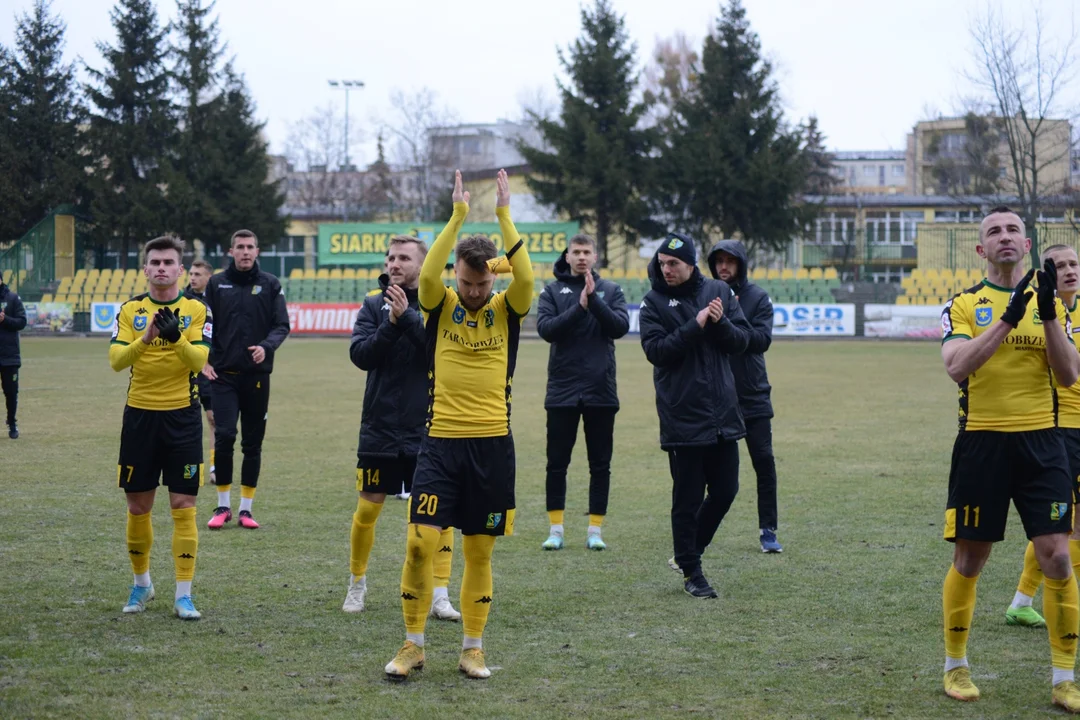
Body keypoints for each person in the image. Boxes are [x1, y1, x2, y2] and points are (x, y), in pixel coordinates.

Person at [383, 169, 533, 681]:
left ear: (492, 279)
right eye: (466, 282)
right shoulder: (440, 303)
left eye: (481, 283)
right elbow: (428, 275)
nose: (472, 291)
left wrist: (505, 216)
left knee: (478, 549)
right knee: (420, 542)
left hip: (492, 448)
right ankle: (412, 644)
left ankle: (473, 648)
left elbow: (526, 277)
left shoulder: (506, 309)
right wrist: (458, 215)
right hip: (440, 445)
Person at [938, 206, 1080, 711]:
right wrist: (1006, 320)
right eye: (993, 231)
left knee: (1059, 554)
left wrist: (1044, 316)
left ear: (1026, 245)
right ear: (981, 249)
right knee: (971, 558)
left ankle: (1064, 678)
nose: (1004, 237)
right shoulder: (963, 304)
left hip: (1043, 443)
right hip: (982, 442)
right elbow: (956, 367)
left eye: (1012, 231)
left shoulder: (1057, 306)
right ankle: (956, 667)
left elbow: (1068, 376)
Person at [344, 235, 461, 622]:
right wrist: (390, 324)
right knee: (367, 510)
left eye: (405, 258)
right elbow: (360, 356)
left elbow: (436, 353)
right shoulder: (372, 305)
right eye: (391, 257)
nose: (395, 264)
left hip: (427, 428)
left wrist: (406, 317)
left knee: (436, 516)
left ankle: (441, 593)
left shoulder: (438, 304)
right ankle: (357, 584)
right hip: (378, 427)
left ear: (424, 265)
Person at [639, 232, 749, 599]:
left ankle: (689, 551)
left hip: (722, 415)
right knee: (686, 498)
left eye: (674, 264)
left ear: (690, 265)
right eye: (663, 263)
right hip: (682, 415)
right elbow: (657, 351)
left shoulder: (717, 290)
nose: (666, 269)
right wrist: (695, 324)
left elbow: (742, 341)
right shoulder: (653, 302)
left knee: (726, 490)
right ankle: (692, 572)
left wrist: (720, 324)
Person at [108, 236, 211, 620]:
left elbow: (199, 360)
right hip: (139, 418)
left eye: (170, 262)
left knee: (183, 506)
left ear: (181, 269)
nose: (163, 268)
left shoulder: (196, 309)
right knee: (138, 507)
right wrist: (147, 338)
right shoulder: (131, 310)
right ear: (146, 268)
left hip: (182, 418)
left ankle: (183, 594)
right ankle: (142, 584)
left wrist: (175, 337)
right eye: (156, 262)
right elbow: (117, 360)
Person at [536, 234, 629, 551]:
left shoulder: (612, 290)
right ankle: (556, 530)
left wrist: (596, 300)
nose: (581, 257)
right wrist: (580, 307)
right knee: (556, 464)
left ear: (595, 256)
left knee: (600, 464)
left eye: (587, 251)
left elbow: (619, 327)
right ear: (567, 255)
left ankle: (595, 531)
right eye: (576, 251)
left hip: (601, 391)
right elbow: (546, 330)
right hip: (562, 391)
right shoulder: (551, 291)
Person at [1005, 244, 1080, 628]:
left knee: (1057, 529)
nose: (1069, 271)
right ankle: (1062, 605)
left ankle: (1021, 601)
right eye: (1059, 265)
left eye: (1073, 263)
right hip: (1061, 428)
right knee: (1068, 526)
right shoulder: (1037, 311)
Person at [203, 230, 290, 530]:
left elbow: (282, 325)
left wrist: (266, 347)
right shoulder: (216, 283)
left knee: (253, 443)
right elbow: (203, 324)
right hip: (223, 376)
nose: (245, 252)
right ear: (231, 251)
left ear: (257, 250)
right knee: (225, 435)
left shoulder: (270, 284)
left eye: (250, 247)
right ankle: (223, 506)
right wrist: (203, 359)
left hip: (255, 378)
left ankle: (246, 510)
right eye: (239, 247)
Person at [707, 240, 782, 553]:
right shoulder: (705, 294)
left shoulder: (757, 297)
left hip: (752, 394)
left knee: (763, 461)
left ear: (741, 264)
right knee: (711, 471)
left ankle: (768, 531)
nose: (724, 267)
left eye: (730, 261)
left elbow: (761, 340)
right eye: (719, 261)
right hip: (715, 396)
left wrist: (729, 319)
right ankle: (701, 531)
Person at [184, 260, 215, 482]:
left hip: (212, 369)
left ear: (208, 278)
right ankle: (189, 469)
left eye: (198, 274)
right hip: (188, 370)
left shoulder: (217, 301)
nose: (193, 278)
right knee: (188, 422)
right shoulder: (183, 301)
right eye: (191, 273)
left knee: (214, 419)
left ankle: (214, 467)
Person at [0, 275, 27, 439]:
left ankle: (12, 422)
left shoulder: (12, 298)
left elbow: (22, 322)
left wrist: (4, 319)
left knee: (11, 392)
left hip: (9, 356)